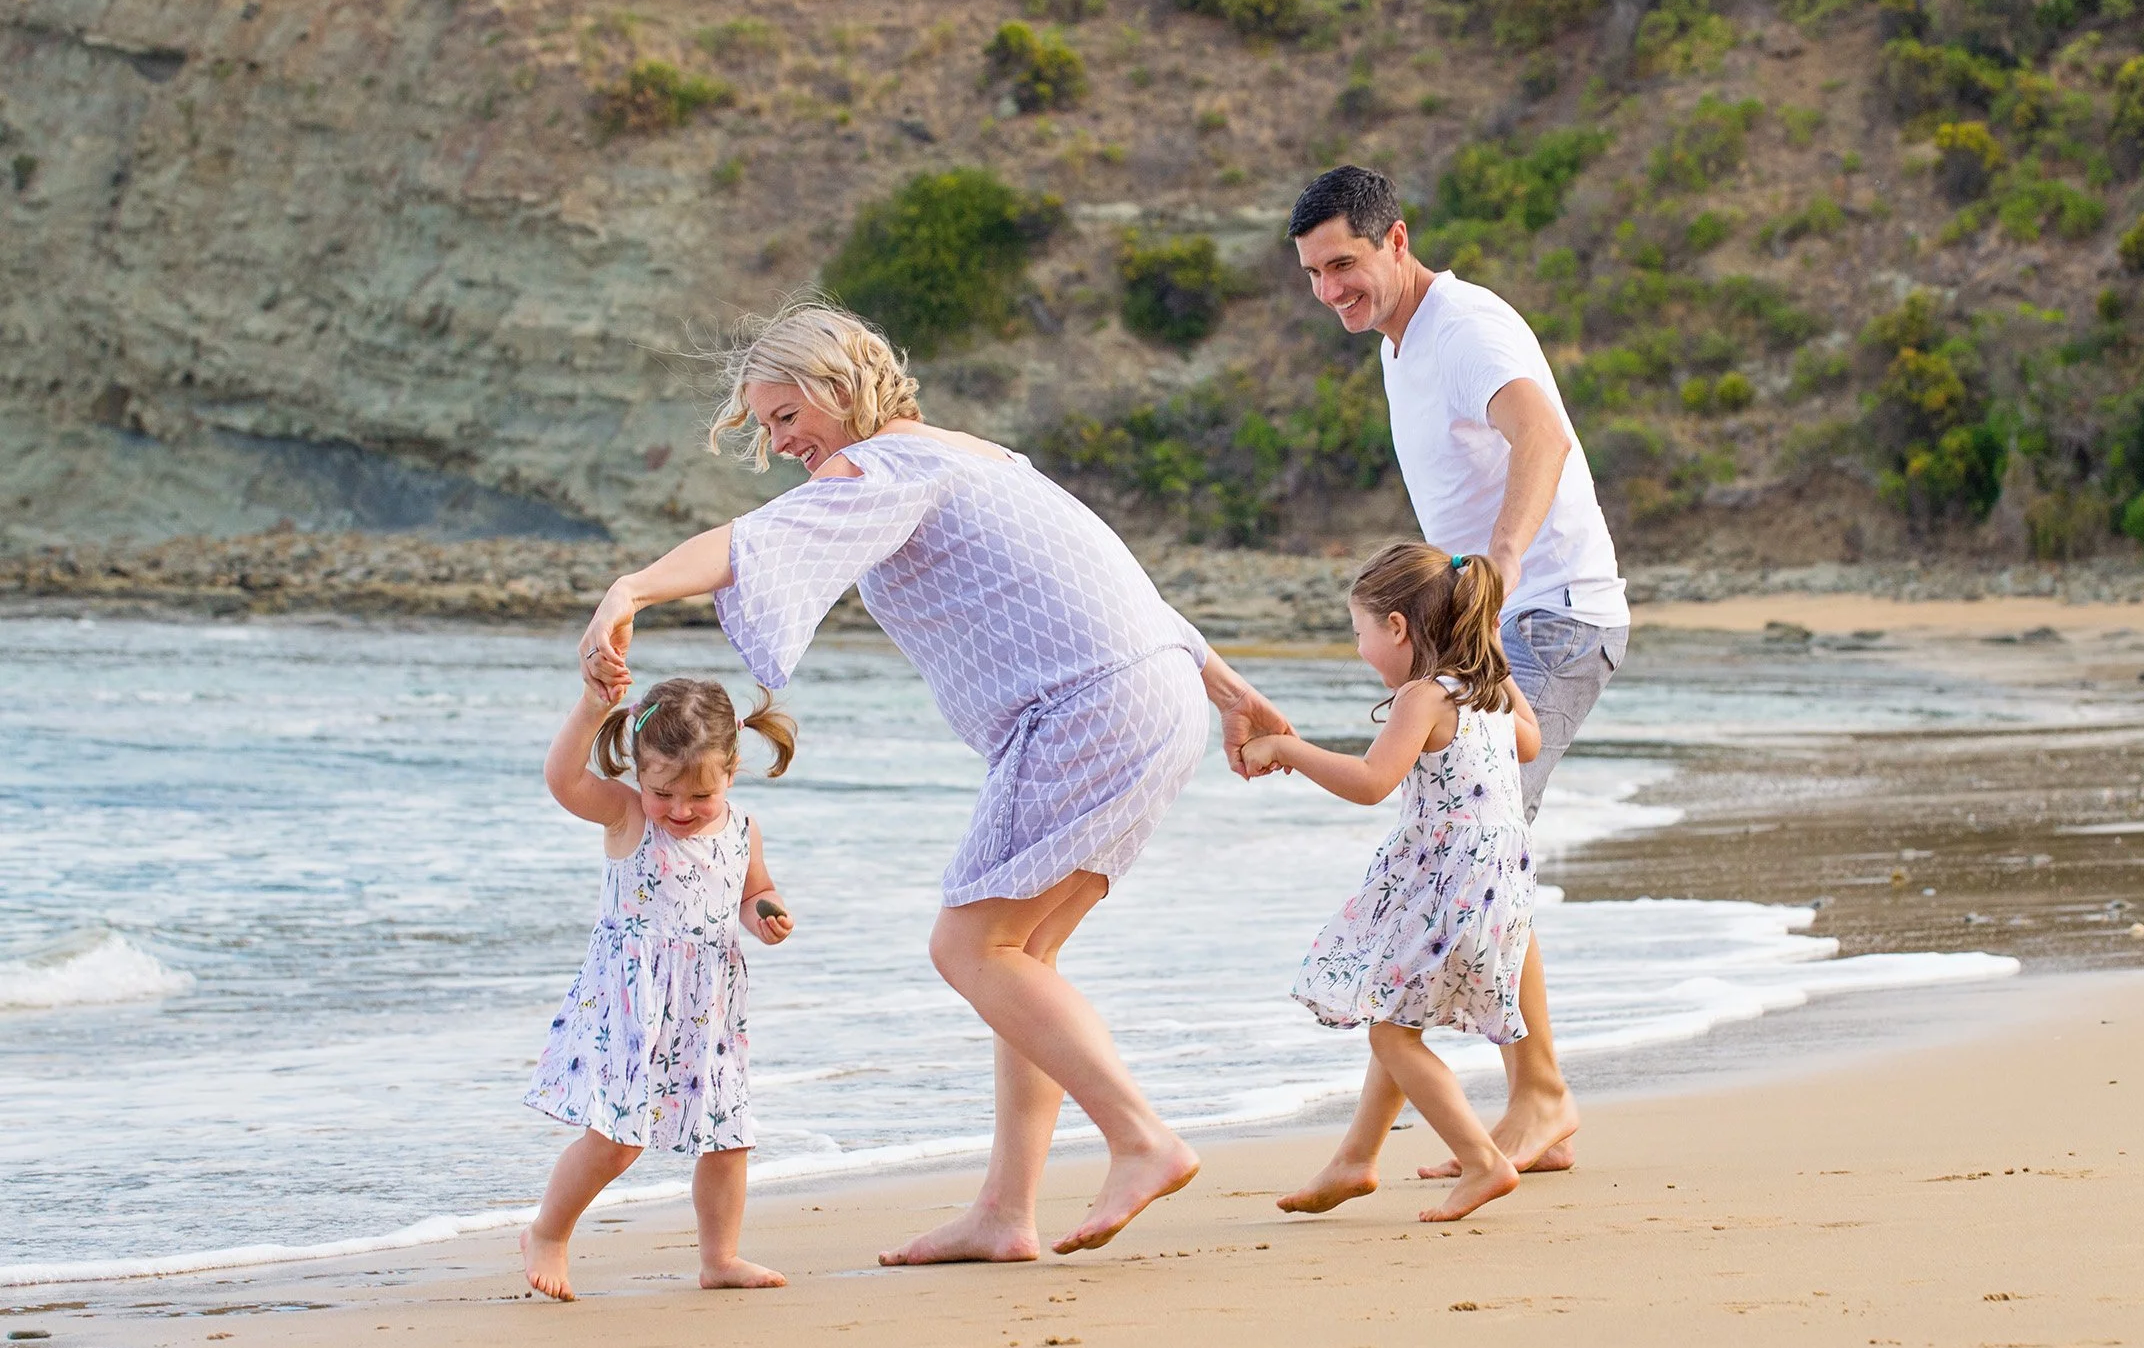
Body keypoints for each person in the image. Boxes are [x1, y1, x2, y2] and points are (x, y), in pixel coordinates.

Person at [577, 302, 1294, 1262]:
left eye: (788, 417)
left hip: (1087, 707)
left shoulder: (882, 465)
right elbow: (1117, 584)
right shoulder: (974, 454)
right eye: (766, 426)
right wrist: (1228, 689)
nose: (782, 443)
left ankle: (1139, 1136)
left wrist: (631, 588)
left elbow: (753, 544)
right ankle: (1007, 1212)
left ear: (839, 390)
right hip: (1150, 691)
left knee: (970, 949)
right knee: (1020, 958)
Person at [1285, 165, 1632, 1176]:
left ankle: (1538, 1097)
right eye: (1312, 274)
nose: (1329, 291)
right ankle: (1509, 1108)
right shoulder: (1400, 342)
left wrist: (1506, 562)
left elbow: (1543, 434)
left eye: (1343, 264)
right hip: (1496, 633)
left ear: (1397, 241)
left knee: (1475, 844)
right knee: (1463, 846)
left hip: (1549, 620)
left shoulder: (1465, 326)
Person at [1242, 544, 1542, 1222]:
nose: (1361, 649)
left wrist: (1287, 748)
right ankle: (1355, 1160)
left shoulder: (1423, 696)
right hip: (1495, 889)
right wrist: (1493, 653)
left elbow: (1373, 782)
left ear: (1398, 628)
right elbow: (1533, 741)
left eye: (1360, 632)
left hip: (1446, 889)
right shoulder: (1483, 693)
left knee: (1390, 1035)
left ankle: (1482, 1161)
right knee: (1393, 1015)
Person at [519, 674, 799, 1302]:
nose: (678, 809)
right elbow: (563, 780)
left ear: (732, 769)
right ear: (638, 775)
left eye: (699, 793)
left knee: (730, 1135)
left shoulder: (743, 828)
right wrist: (594, 706)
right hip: (632, 1002)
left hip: (708, 1008)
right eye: (661, 791)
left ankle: (720, 1257)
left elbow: (752, 893)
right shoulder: (626, 816)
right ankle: (548, 1233)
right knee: (619, 1138)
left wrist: (767, 915)